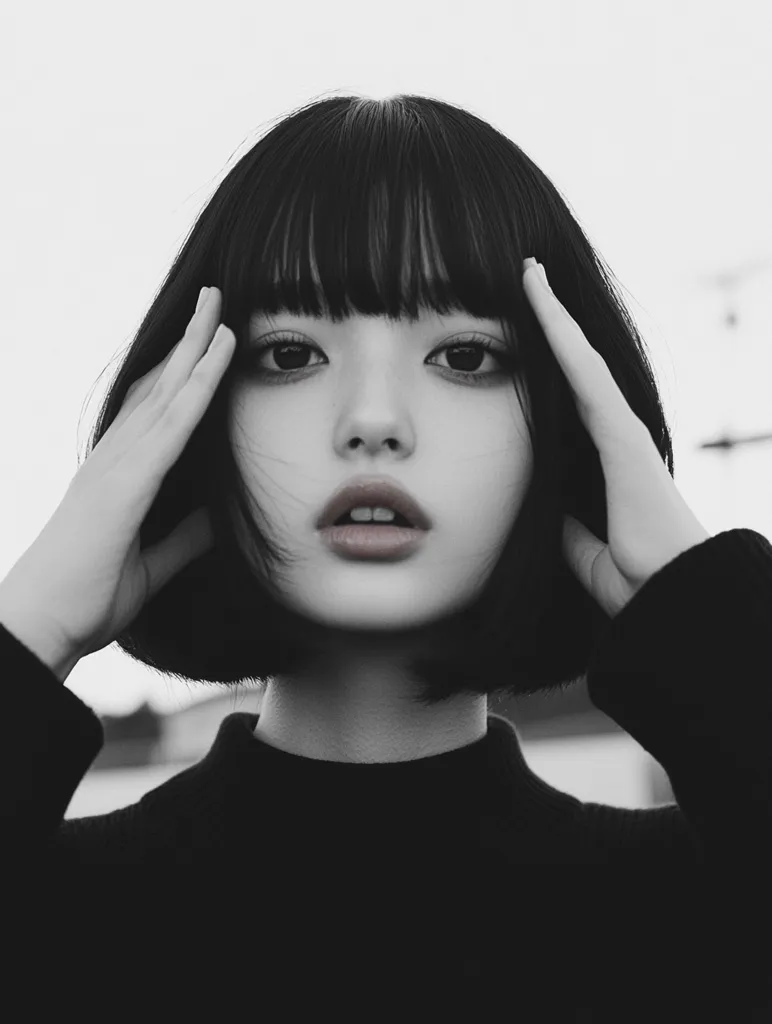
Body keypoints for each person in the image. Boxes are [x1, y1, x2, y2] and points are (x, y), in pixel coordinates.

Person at [1, 93, 770, 1012]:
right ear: (193, 415)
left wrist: (701, 605)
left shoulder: (702, 917)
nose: (372, 421)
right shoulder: (49, 923)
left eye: (467, 358)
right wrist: (30, 622)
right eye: (290, 354)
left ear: (568, 423)